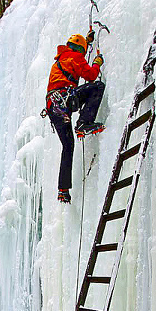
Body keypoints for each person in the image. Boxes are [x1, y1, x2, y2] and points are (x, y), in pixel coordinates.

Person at [45, 30, 105, 204]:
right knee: (97, 86)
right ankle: (84, 122)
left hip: (53, 107)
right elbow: (91, 75)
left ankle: (63, 189)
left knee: (68, 146)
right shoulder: (75, 57)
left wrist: (87, 41)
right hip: (65, 100)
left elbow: (76, 57)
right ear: (80, 50)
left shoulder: (63, 58)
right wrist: (96, 63)